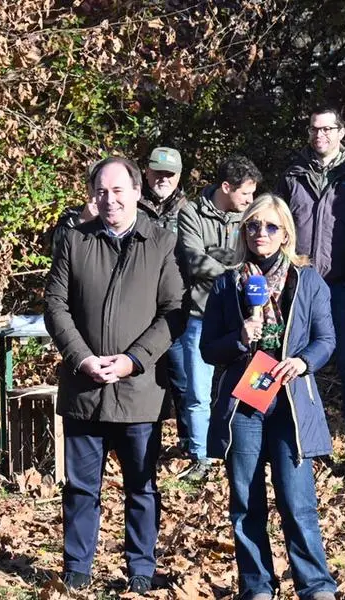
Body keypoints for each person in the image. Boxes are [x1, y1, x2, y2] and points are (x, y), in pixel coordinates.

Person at [45, 157, 186, 594]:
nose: (110, 200)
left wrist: (133, 360)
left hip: (139, 390)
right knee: (81, 487)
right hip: (83, 386)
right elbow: (55, 305)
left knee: (141, 488)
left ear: (137, 192)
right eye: (102, 191)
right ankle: (77, 568)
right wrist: (82, 357)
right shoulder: (74, 240)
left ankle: (141, 568)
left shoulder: (162, 243)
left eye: (119, 190)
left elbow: (174, 313)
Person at [202, 193, 337, 600]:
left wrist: (302, 362)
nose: (261, 233)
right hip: (243, 402)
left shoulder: (308, 280)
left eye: (271, 226)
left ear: (285, 234)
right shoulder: (228, 283)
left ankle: (315, 586)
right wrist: (239, 337)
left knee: (297, 501)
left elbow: (326, 339)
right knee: (245, 500)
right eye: (253, 226)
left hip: (291, 401)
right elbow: (209, 348)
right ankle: (257, 586)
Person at [278, 105, 345, 469]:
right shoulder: (292, 175)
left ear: (341, 131)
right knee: (299, 363)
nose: (320, 135)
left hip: (342, 287)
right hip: (300, 284)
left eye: (327, 129)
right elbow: (278, 224)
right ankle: (306, 443)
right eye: (314, 129)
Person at [176, 155, 261, 480]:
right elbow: (195, 260)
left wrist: (225, 266)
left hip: (244, 317)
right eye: (245, 194)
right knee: (199, 390)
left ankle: (242, 451)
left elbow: (258, 254)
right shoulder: (192, 214)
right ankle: (201, 457)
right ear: (226, 187)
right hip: (200, 314)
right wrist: (233, 272)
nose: (250, 202)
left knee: (248, 386)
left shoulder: (249, 216)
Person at [141, 147, 190, 449]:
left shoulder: (191, 212)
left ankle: (188, 440)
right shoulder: (131, 207)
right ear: (146, 173)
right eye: (157, 172)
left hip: (177, 306)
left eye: (169, 174)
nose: (162, 179)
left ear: (178, 177)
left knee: (181, 377)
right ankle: (144, 440)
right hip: (139, 305)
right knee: (143, 375)